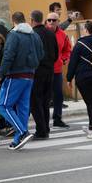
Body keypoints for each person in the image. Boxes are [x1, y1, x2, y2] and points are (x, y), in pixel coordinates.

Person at [0, 11, 43, 150]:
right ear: (25, 20)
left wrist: (0, 75)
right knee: (22, 108)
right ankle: (17, 140)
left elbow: (8, 56)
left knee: (4, 106)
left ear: (13, 21)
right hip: (30, 75)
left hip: (15, 75)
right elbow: (41, 54)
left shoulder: (13, 34)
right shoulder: (34, 35)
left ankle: (22, 132)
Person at [30, 10, 58, 140]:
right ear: (43, 19)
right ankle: (46, 127)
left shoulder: (33, 34)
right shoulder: (51, 33)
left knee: (36, 102)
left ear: (32, 20)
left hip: (37, 71)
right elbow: (56, 54)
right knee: (46, 101)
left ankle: (41, 130)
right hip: (50, 70)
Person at [46, 12, 71, 129]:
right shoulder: (42, 33)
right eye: (49, 20)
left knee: (58, 95)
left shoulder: (62, 35)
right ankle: (44, 121)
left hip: (57, 70)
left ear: (58, 22)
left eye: (53, 20)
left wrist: (64, 59)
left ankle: (57, 118)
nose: (51, 22)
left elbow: (67, 49)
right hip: (43, 71)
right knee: (44, 96)